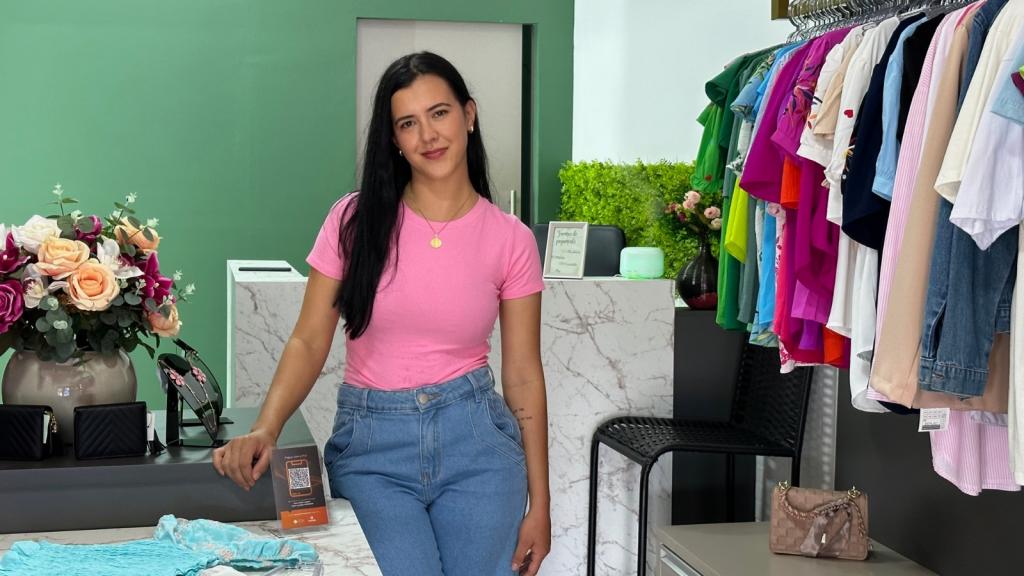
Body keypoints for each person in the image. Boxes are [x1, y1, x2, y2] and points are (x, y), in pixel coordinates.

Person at [212, 51, 550, 576]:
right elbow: (308, 339)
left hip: (479, 447)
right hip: (373, 449)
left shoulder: (512, 239)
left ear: (469, 114)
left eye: (439, 113)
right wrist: (266, 428)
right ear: (393, 138)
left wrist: (541, 504)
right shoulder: (353, 220)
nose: (428, 135)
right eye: (408, 123)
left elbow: (524, 374)